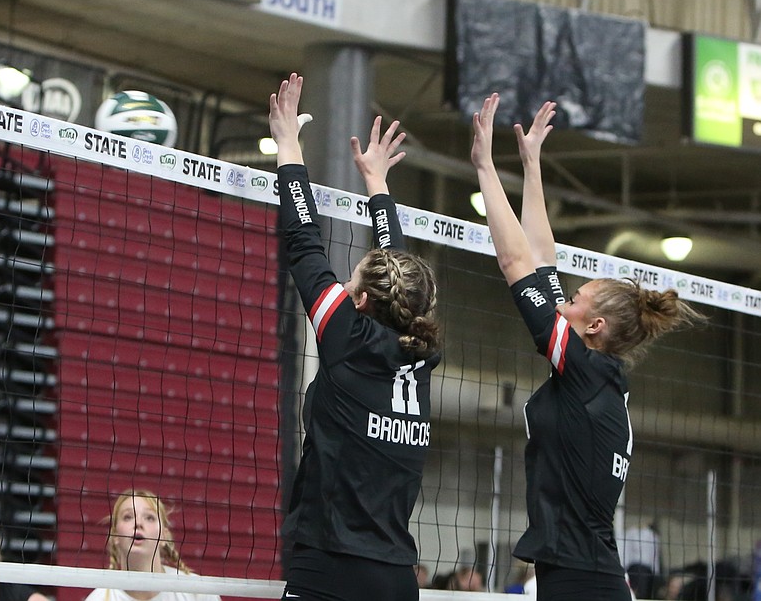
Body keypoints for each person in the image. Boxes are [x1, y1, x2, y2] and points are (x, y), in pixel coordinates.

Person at [470, 94, 701, 601]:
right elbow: (542, 258)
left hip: (579, 582)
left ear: (593, 324)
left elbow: (515, 262)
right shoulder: (596, 371)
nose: (564, 300)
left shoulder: (580, 368)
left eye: (574, 299)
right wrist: (531, 166)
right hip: (588, 575)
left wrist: (485, 166)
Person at [269, 73, 442, 601]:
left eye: (352, 283)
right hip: (395, 577)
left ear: (362, 302)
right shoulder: (424, 353)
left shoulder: (346, 335)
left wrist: (288, 146)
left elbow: (303, 242)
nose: (343, 287)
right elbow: (399, 275)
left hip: (329, 566)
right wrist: (377, 186)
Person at [83, 490, 221, 601]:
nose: (138, 523)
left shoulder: (197, 592)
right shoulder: (99, 598)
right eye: (128, 517)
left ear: (164, 536)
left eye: (149, 517)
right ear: (115, 537)